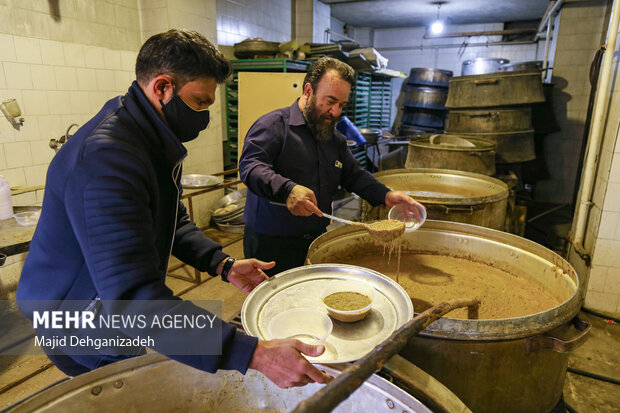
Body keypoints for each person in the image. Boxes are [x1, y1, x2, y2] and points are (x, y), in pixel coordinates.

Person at [16, 29, 332, 389]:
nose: (204, 117)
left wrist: (222, 263)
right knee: (158, 389)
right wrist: (254, 353)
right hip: (78, 318)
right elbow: (133, 299)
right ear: (162, 87)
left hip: (109, 300)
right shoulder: (107, 159)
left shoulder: (148, 137)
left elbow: (170, 220)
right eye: (199, 103)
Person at [239, 57, 418, 276]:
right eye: (330, 101)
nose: (335, 112)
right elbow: (251, 166)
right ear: (308, 91)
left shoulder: (334, 138)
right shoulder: (273, 127)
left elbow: (354, 175)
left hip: (317, 238)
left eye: (341, 105)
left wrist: (386, 195)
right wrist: (288, 190)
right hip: (271, 243)